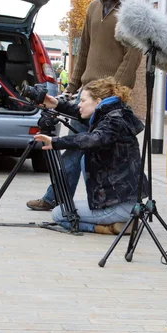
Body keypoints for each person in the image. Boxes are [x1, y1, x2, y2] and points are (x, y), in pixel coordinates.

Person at [26, 0, 142, 211]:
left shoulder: (132, 12)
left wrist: (116, 92)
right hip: (87, 94)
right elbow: (85, 50)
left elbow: (133, 55)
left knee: (99, 151)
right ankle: (54, 197)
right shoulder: (92, 8)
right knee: (75, 147)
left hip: (110, 97)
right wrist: (72, 86)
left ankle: (115, 204)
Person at [34, 78, 146, 234]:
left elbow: (95, 138)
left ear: (98, 101)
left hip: (117, 204)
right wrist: (56, 104)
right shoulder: (114, 114)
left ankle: (106, 228)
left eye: (83, 100)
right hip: (126, 201)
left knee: (60, 214)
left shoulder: (112, 122)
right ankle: (121, 221)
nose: (79, 104)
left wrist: (56, 141)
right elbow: (81, 113)